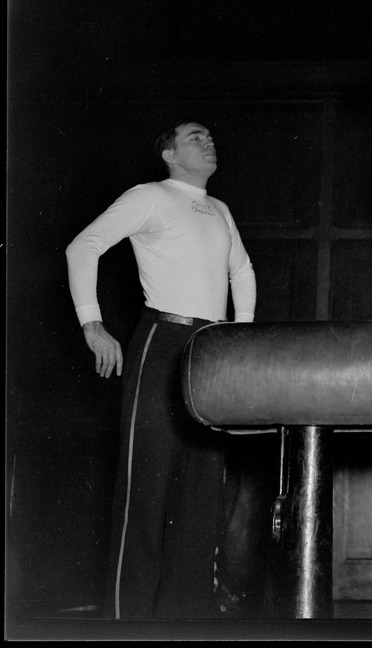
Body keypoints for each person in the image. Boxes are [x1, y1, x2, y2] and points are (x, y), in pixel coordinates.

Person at [65, 121, 256, 619]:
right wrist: (93, 325)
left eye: (212, 136)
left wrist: (243, 334)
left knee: (199, 496)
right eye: (195, 137)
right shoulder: (150, 195)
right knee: (146, 490)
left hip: (211, 348)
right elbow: (81, 247)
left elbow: (243, 270)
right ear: (169, 154)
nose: (209, 140)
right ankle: (125, 622)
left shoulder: (221, 210)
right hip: (162, 341)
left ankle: (185, 624)